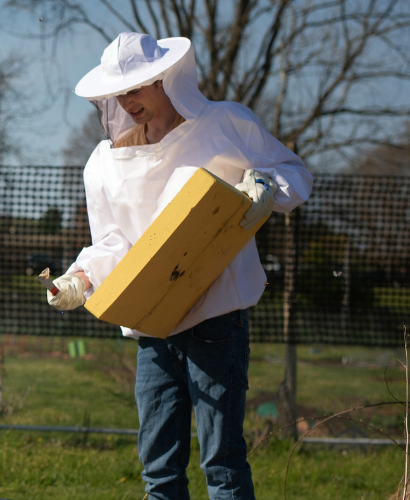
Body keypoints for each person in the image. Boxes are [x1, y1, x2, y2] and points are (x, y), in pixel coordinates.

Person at [50, 32, 313, 500]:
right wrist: (82, 277)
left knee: (223, 461)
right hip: (151, 325)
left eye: (136, 89)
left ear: (165, 79)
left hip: (215, 317)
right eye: (119, 93)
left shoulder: (225, 124)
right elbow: (114, 241)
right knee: (159, 468)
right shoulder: (106, 163)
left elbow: (294, 173)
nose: (126, 102)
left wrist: (266, 188)